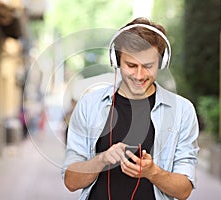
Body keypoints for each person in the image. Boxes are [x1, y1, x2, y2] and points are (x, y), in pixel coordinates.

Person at [62, 17, 199, 200]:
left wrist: (153, 172)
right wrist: (102, 159)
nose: (140, 75)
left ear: (162, 63)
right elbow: (71, 182)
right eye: (131, 65)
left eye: (148, 66)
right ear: (116, 61)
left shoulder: (183, 111)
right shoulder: (89, 105)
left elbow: (184, 191)